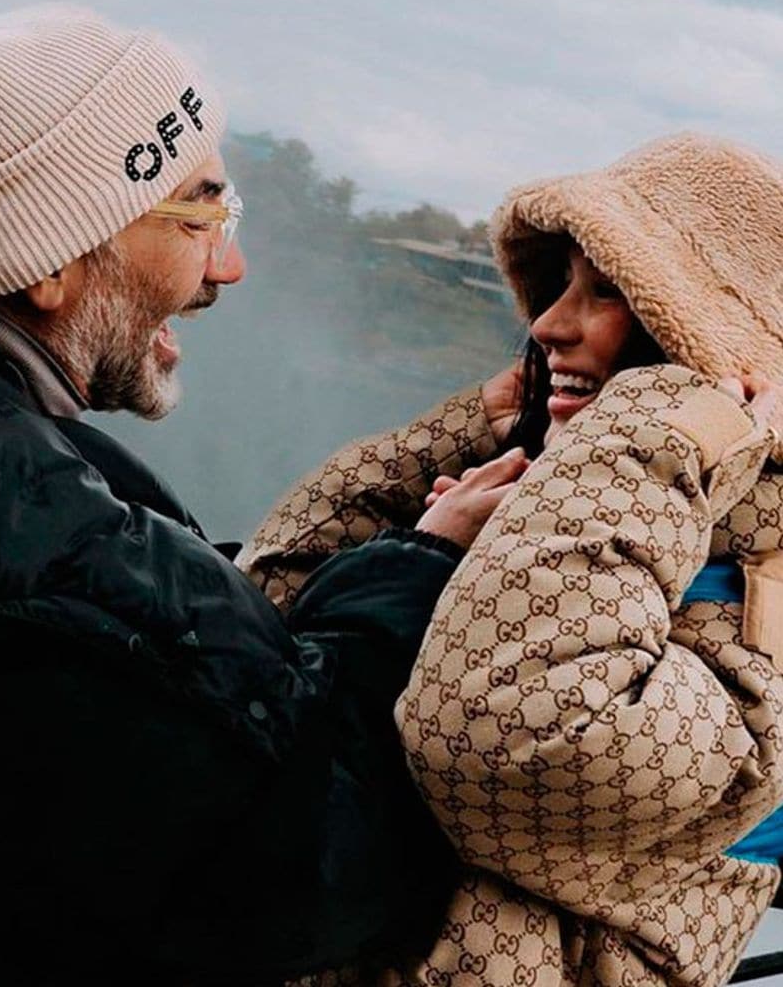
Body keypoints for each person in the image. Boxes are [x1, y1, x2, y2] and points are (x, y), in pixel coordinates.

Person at [0, 5, 511, 985]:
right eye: (199, 214)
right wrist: (419, 570)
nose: (230, 263)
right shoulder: (19, 526)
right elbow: (317, 875)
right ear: (51, 261)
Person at [242, 132, 783, 986]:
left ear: (708, 346)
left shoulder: (752, 588)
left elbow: (510, 742)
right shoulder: (580, 515)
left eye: (607, 293)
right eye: (557, 285)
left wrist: (661, 430)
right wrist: (462, 444)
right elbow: (268, 620)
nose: (545, 325)